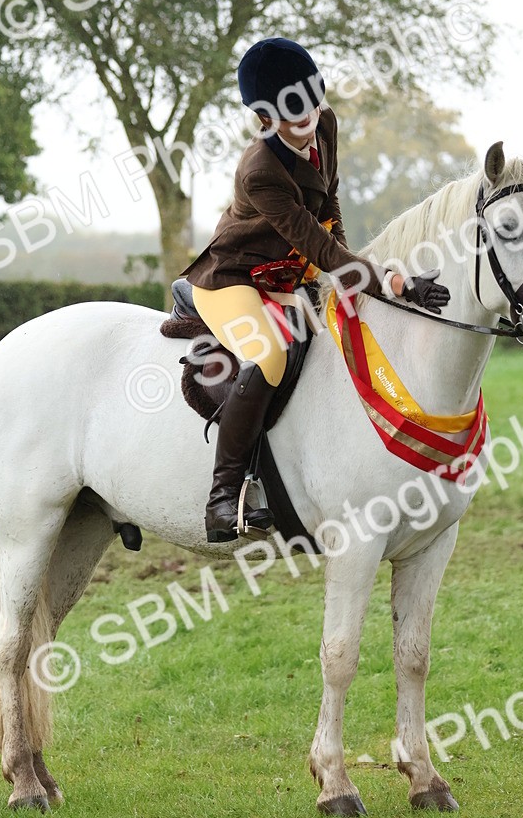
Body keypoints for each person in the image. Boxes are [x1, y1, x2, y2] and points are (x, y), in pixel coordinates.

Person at [181, 37, 449, 542]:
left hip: (289, 275)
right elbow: (318, 246)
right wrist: (389, 280)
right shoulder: (260, 171)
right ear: (266, 117)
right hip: (234, 278)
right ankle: (223, 496)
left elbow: (329, 211)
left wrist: (351, 271)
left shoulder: (326, 125)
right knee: (270, 358)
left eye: (308, 99)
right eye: (288, 110)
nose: (303, 117)